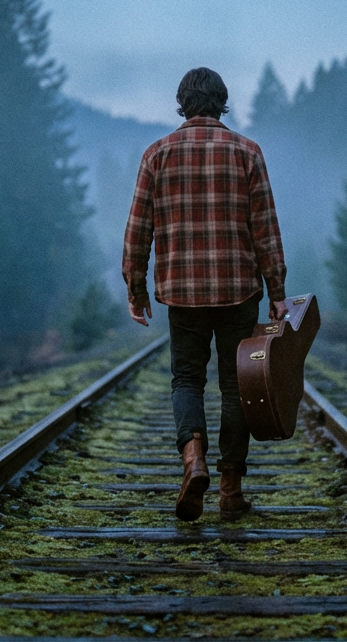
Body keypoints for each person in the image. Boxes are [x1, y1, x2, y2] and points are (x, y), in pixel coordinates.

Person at [122, 67, 289, 522]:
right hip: (239, 291)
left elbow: (138, 230)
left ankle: (193, 459)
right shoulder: (247, 152)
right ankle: (230, 491)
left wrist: (136, 287)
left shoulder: (157, 154)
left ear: (183, 103)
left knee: (187, 380)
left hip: (182, 292)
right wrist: (278, 290)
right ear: (221, 102)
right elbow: (266, 231)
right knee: (236, 389)